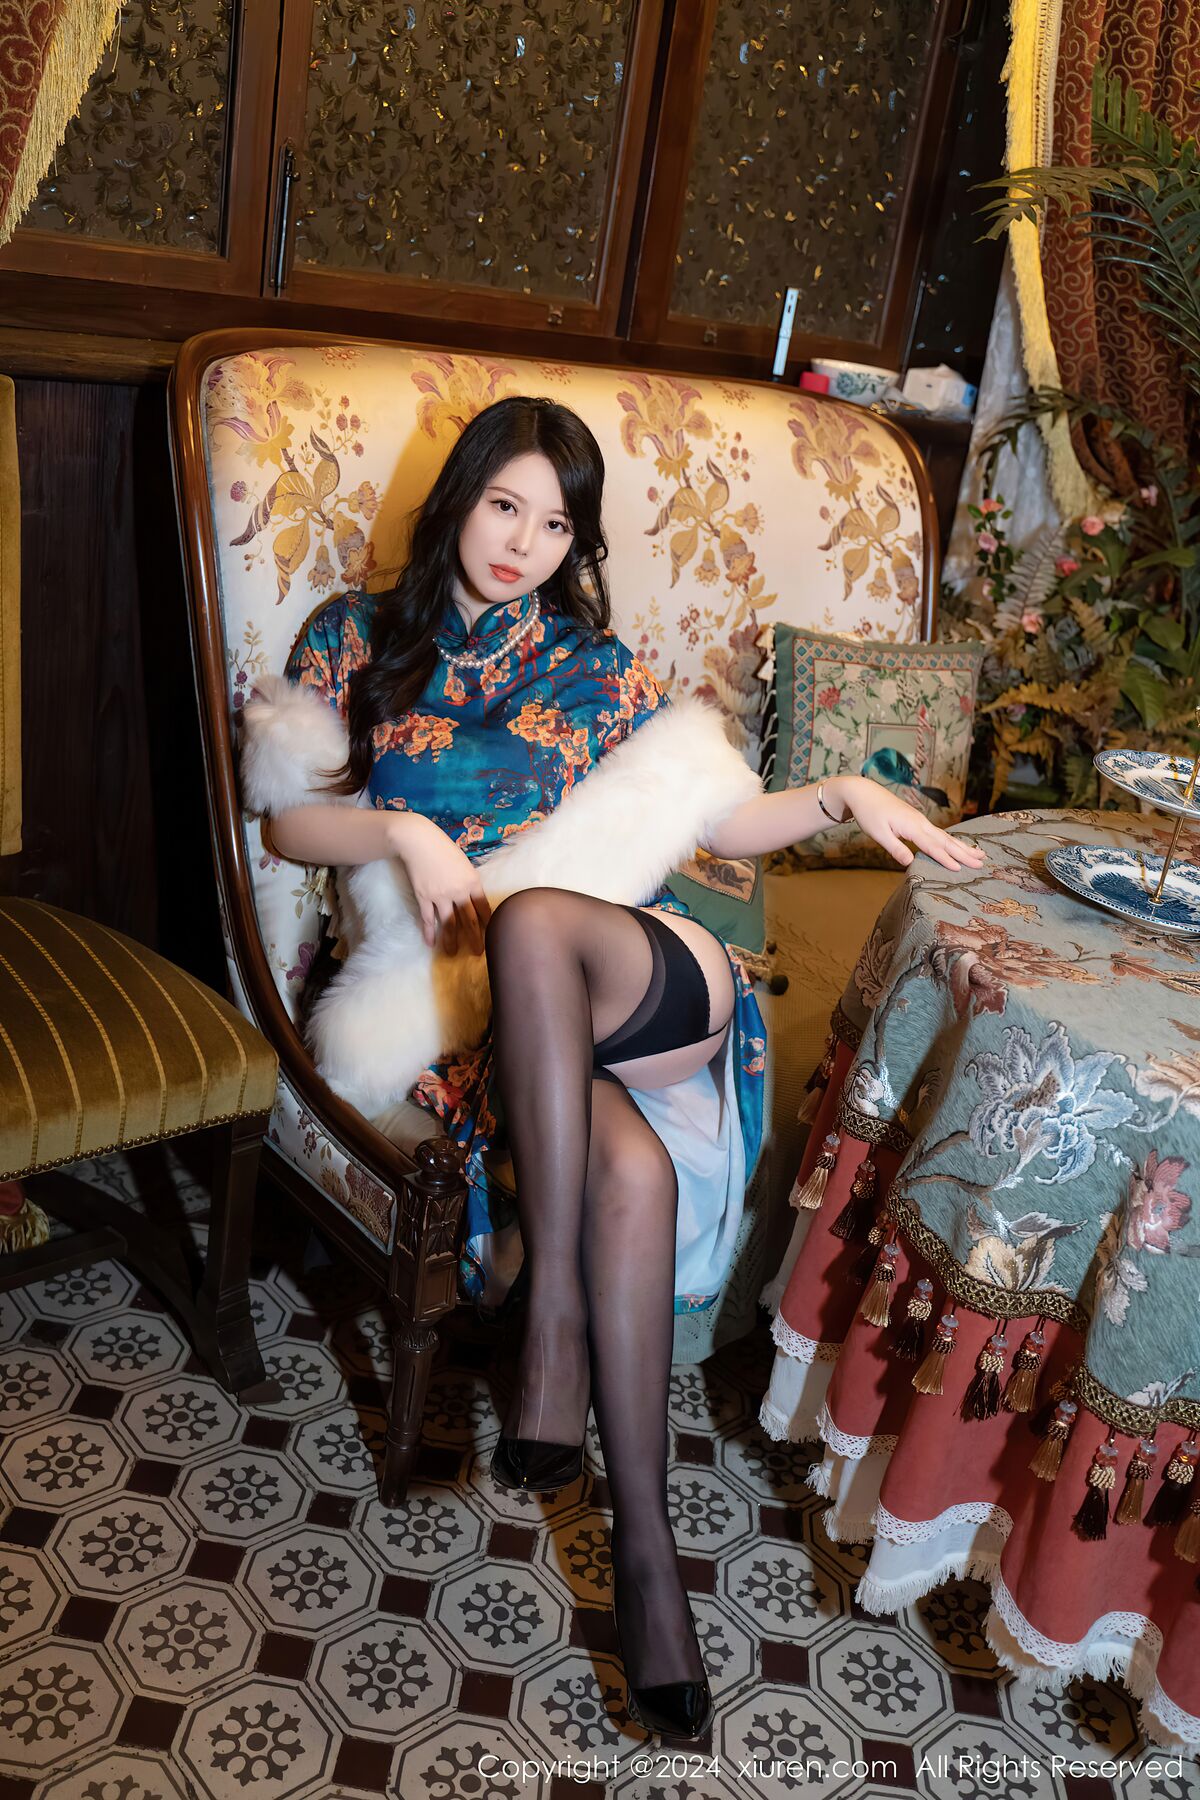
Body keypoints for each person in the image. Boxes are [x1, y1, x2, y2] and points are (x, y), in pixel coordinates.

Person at [263, 395, 985, 1740]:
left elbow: (718, 815)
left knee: (538, 921)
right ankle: (648, 1562)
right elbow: (290, 820)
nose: (523, 545)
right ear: (461, 497)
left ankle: (547, 1321)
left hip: (647, 979)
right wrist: (406, 835)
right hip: (486, 1022)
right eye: (505, 507)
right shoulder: (353, 636)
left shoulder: (593, 664)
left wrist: (841, 797)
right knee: (629, 1172)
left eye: (556, 525)